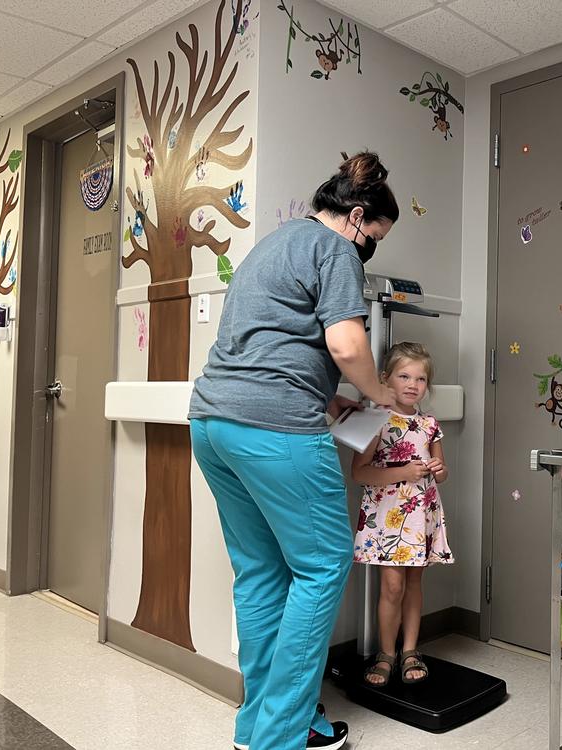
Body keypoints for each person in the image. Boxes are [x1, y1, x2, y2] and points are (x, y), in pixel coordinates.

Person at [188, 151, 399, 750]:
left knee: (260, 574)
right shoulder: (333, 249)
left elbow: (269, 344)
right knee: (325, 564)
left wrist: (327, 399)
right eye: (372, 241)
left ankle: (265, 726)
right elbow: (347, 343)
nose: (366, 253)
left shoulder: (272, 245)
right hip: (273, 428)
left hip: (212, 422)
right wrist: (378, 391)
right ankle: (280, 737)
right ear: (356, 217)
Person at [350, 342, 454, 687]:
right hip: (387, 516)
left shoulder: (429, 424)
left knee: (413, 584)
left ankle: (411, 649)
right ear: (386, 379)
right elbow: (360, 473)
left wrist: (438, 469)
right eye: (404, 376)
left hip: (420, 513)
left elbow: (441, 472)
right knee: (391, 587)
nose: (412, 384)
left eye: (420, 379)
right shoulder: (376, 420)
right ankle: (386, 653)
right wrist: (402, 474)